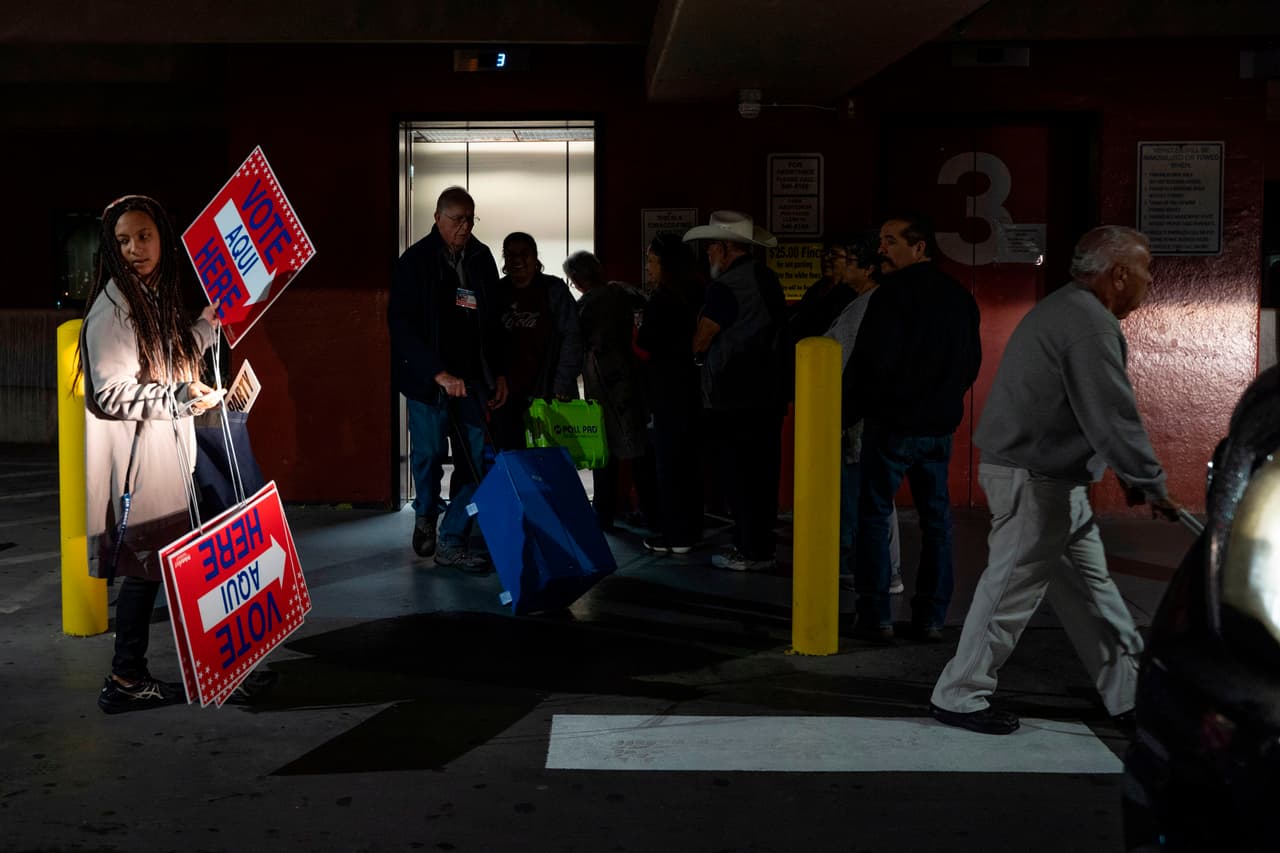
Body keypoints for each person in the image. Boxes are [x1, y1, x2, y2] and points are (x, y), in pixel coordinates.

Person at [930, 225, 1183, 735]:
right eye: (1146, 269)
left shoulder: (1070, 311)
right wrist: (1150, 480)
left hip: (1051, 477)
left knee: (1093, 592)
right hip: (1034, 478)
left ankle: (1127, 695)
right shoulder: (1087, 324)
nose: (1149, 280)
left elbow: (1093, 416)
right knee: (1010, 589)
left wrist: (1136, 477)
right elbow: (1111, 414)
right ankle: (958, 693)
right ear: (1117, 274)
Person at [79, 194, 222, 714]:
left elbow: (171, 357)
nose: (135, 248)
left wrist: (206, 327)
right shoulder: (114, 307)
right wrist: (178, 397)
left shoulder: (150, 295)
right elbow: (112, 392)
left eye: (143, 236)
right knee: (144, 571)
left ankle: (134, 674)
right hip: (142, 464)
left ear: (162, 236)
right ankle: (125, 679)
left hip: (163, 454)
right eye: (123, 241)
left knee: (155, 567)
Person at [844, 214, 981, 642]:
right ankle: (931, 617)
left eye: (890, 241)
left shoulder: (890, 296)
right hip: (938, 428)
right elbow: (970, 363)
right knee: (936, 520)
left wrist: (845, 415)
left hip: (891, 427)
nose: (882, 249)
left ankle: (876, 614)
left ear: (919, 247)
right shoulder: (959, 297)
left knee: (874, 516)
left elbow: (869, 365)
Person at [388, 186, 508, 572]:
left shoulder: (481, 258)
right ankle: (426, 513)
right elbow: (401, 327)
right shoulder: (415, 262)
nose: (465, 227)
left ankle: (452, 538)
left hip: (472, 381)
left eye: (471, 219)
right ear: (438, 218)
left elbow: (493, 322)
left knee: (475, 464)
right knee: (428, 457)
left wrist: (498, 372)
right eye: (457, 219)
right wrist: (437, 373)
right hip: (429, 381)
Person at [684, 211, 788, 572]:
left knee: (740, 478)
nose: (709, 253)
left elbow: (703, 337)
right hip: (769, 395)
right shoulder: (767, 277)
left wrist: (697, 356)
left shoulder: (726, 286)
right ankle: (762, 546)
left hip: (734, 397)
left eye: (713, 246)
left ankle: (746, 550)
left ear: (727, 247)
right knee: (763, 476)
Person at [824, 230, 902, 593]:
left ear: (869, 270)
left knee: (868, 498)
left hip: (858, 420)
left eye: (849, 262)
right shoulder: (864, 303)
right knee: (868, 497)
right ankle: (877, 568)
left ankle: (882, 572)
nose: (840, 266)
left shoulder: (867, 307)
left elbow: (848, 363)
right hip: (861, 418)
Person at [563, 250, 649, 530]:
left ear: (576, 279)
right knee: (637, 451)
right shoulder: (621, 294)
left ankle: (604, 514)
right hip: (630, 378)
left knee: (604, 452)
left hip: (602, 382)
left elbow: (575, 346)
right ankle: (649, 512)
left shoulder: (584, 306)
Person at [634, 234, 705, 553]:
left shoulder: (661, 300)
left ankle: (675, 535)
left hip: (665, 390)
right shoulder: (697, 293)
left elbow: (646, 343)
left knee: (668, 465)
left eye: (651, 261)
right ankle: (689, 529)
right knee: (689, 464)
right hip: (693, 388)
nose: (648, 267)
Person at [490, 232, 582, 451]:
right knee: (512, 458)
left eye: (525, 253)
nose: (518, 259)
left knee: (551, 460)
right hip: (506, 395)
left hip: (549, 392)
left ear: (535, 257)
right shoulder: (497, 292)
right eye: (511, 254)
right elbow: (487, 340)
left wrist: (562, 381)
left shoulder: (554, 289)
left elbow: (573, 337)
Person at [789, 238, 856, 342]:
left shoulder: (852, 293)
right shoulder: (815, 289)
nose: (826, 258)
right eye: (824, 253)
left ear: (848, 261)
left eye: (834, 254)